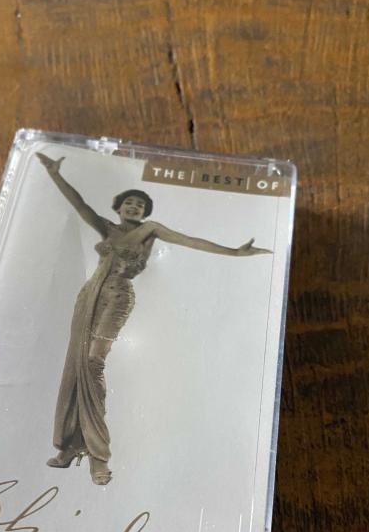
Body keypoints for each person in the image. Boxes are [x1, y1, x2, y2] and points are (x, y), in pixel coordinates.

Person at [37, 152, 271, 485]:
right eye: (129, 203)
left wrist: (234, 252)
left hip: (117, 297)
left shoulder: (151, 229)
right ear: (119, 208)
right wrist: (54, 174)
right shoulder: (106, 228)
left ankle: (98, 457)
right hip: (89, 298)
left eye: (140, 205)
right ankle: (71, 445)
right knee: (75, 366)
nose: (134, 207)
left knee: (93, 363)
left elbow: (190, 241)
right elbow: (79, 204)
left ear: (145, 212)